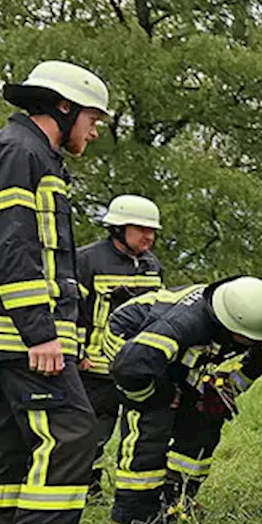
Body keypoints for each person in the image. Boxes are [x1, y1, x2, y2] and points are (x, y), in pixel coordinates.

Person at [0, 60, 111, 524]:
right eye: (93, 118)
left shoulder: (20, 151)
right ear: (63, 107)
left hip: (4, 331)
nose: (94, 131)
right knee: (72, 432)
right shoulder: (21, 153)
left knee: (6, 439)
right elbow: (13, 245)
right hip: (22, 331)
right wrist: (39, 330)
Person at [104, 277, 262, 524]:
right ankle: (136, 519)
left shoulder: (258, 324)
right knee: (152, 422)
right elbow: (129, 368)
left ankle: (176, 497)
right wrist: (161, 395)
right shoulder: (182, 324)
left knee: (205, 417)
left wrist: (228, 387)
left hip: (174, 356)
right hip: (131, 347)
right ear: (228, 325)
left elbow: (261, 356)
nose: (250, 344)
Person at [77, 195, 164, 500]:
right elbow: (72, 308)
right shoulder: (87, 260)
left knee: (139, 433)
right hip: (94, 369)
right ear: (118, 228)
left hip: (136, 368)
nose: (149, 237)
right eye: (141, 229)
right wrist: (78, 352)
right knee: (92, 433)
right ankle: (88, 489)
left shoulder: (152, 265)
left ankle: (134, 492)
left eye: (152, 231)